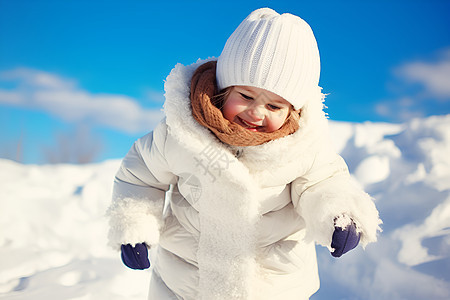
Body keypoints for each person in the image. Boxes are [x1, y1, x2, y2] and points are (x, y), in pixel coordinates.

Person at [107, 7, 381, 300]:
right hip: (184, 284)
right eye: (246, 96)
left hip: (273, 287)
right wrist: (134, 224)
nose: (256, 112)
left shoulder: (303, 147)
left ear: (293, 111)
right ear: (224, 89)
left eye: (274, 107)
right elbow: (140, 176)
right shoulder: (181, 135)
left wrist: (338, 214)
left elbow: (322, 184)